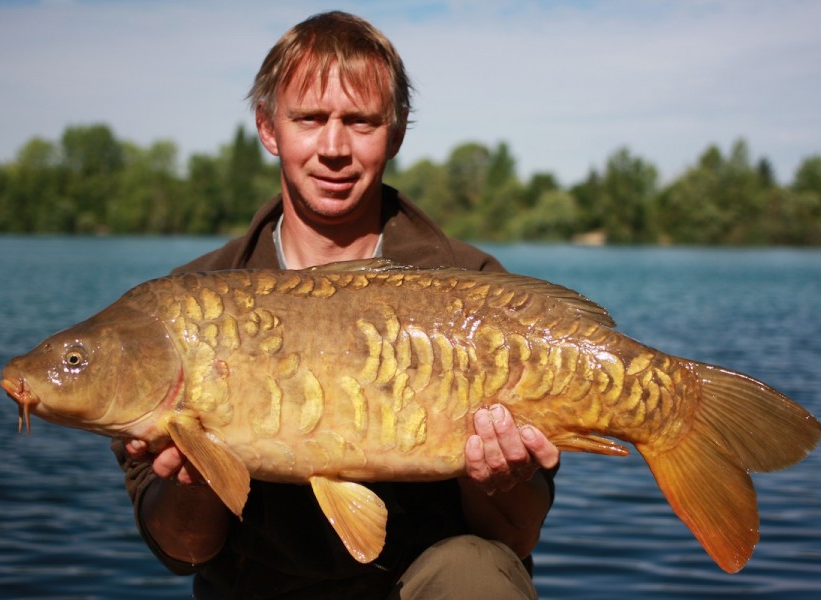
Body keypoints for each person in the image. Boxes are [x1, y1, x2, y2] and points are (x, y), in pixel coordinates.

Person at [113, 11, 559, 599]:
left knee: (473, 570)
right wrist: (195, 481)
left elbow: (517, 535)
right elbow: (185, 551)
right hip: (259, 589)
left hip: (423, 583)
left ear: (394, 135)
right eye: (310, 118)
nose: (333, 147)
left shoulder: (472, 290)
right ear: (269, 128)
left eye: (360, 122)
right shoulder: (182, 312)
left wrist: (498, 477)